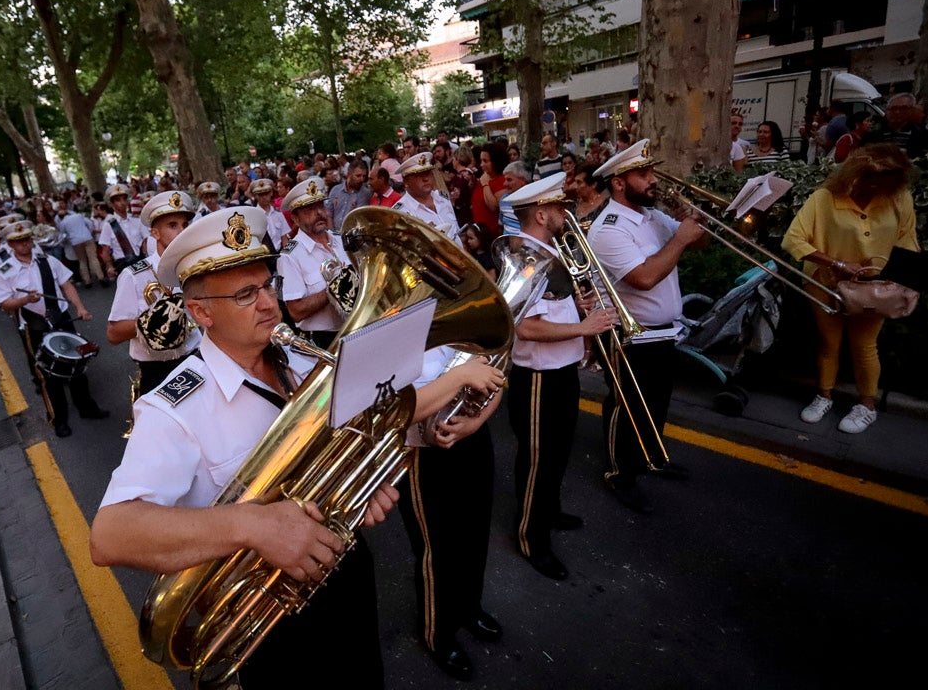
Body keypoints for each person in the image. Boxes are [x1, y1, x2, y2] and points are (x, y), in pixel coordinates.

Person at [90, 207, 396, 690]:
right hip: (268, 621)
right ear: (201, 312)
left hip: (344, 565)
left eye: (268, 285)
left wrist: (359, 487)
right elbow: (110, 535)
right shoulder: (175, 407)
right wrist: (252, 524)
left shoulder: (294, 354)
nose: (269, 304)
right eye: (245, 294)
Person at [505, 174, 620, 578]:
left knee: (556, 453)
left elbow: (550, 309)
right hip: (536, 377)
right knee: (538, 460)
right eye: (558, 208)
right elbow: (525, 328)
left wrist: (580, 308)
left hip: (560, 371)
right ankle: (531, 538)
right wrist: (584, 329)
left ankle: (548, 512)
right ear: (541, 213)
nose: (565, 214)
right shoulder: (524, 259)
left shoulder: (547, 252)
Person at [587, 139, 707, 513]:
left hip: (661, 330)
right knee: (628, 407)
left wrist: (694, 222)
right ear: (619, 182)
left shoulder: (651, 214)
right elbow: (644, 277)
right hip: (627, 334)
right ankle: (620, 473)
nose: (652, 179)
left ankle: (652, 457)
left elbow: (698, 245)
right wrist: (681, 239)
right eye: (643, 173)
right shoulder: (608, 228)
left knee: (656, 402)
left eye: (651, 170)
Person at [782, 144, 918, 434]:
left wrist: (892, 279)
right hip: (825, 284)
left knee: (865, 346)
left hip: (874, 290)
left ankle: (867, 405)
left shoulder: (898, 198)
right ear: (855, 174)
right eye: (871, 180)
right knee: (829, 344)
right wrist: (837, 264)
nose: (876, 187)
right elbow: (794, 239)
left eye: (885, 182)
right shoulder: (824, 198)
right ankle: (824, 396)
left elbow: (907, 242)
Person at [398, 346, 506, 680]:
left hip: (472, 435)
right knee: (437, 547)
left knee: (474, 530)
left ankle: (468, 608)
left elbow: (497, 374)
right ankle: (438, 633)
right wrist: (458, 377)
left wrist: (476, 422)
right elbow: (394, 409)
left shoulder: (464, 308)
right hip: (420, 449)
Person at [0, 228, 109, 438]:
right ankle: (58, 419)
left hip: (61, 318)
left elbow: (67, 286)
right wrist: (24, 300)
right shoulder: (5, 271)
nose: (25, 244)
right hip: (34, 325)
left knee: (77, 364)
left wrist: (80, 308)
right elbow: (4, 303)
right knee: (49, 375)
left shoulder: (48, 261)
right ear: (11, 245)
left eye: (27, 239)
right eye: (19, 241)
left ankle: (87, 407)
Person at [107, 191, 202, 398]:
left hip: (197, 358)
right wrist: (153, 322)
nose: (181, 231)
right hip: (157, 370)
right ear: (155, 233)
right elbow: (113, 334)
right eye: (172, 225)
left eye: (185, 225)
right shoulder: (134, 275)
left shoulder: (197, 269)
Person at [277, 179, 349, 350]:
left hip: (355, 329)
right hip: (323, 341)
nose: (319, 213)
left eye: (321, 207)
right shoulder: (289, 256)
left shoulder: (341, 240)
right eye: (310, 209)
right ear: (295, 218)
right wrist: (336, 289)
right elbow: (295, 311)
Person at [394, 153, 461, 244]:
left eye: (428, 173)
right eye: (419, 175)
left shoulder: (443, 198)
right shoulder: (400, 212)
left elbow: (456, 231)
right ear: (406, 181)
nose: (426, 179)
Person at [99, 184, 150, 280]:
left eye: (124, 199)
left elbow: (146, 240)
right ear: (111, 204)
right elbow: (105, 249)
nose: (122, 203)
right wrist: (109, 266)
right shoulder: (109, 225)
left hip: (140, 260)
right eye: (118, 200)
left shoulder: (137, 220)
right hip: (123, 264)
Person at [862, 93, 928, 158]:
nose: (897, 112)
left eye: (903, 108)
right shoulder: (871, 137)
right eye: (893, 108)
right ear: (887, 111)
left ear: (911, 111)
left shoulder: (926, 137)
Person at [58, 202, 103, 287]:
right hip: (87, 238)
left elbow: (63, 235)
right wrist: (89, 233)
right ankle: (100, 277)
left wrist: (65, 242)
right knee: (93, 258)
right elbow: (89, 223)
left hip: (75, 241)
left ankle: (87, 281)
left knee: (82, 261)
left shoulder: (62, 223)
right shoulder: (78, 216)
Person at [471, 142, 509, 238]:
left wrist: (485, 184)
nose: (482, 165)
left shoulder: (502, 180)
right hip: (480, 234)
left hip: (492, 235)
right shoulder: (484, 178)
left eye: (485, 161)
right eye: (481, 161)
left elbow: (494, 207)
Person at [326, 160, 371, 230]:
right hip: (334, 234)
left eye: (364, 176)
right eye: (358, 176)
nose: (362, 179)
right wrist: (332, 233)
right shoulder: (335, 190)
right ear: (349, 174)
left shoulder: (365, 193)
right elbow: (329, 214)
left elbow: (359, 219)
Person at [251, 179, 290, 251]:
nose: (264, 197)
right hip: (264, 256)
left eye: (266, 193)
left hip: (280, 253)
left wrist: (287, 257)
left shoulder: (278, 214)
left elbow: (284, 238)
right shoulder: (253, 216)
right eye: (260, 194)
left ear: (271, 193)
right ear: (256, 196)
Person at [498, 161, 530, 236]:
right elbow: (501, 225)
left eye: (509, 180)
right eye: (505, 180)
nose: (504, 184)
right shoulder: (504, 200)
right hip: (507, 245)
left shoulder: (533, 199)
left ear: (523, 180)